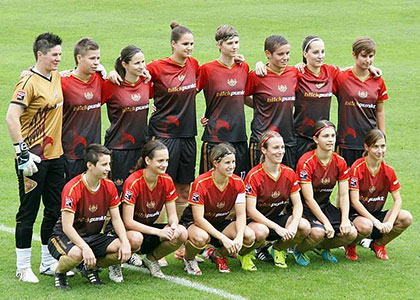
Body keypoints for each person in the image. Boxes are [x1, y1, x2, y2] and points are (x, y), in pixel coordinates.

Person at [6, 33, 65, 283]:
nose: (58, 59)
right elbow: (11, 117)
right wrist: (22, 153)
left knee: (53, 210)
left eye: (60, 55)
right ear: (40, 55)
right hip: (33, 159)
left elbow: (76, 72)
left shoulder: (57, 76)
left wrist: (102, 69)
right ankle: (22, 267)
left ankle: (47, 262)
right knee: (28, 212)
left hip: (55, 157)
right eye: (54, 55)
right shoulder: (27, 83)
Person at [47, 144, 133, 289]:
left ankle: (89, 267)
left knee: (122, 246)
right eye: (104, 164)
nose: (109, 169)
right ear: (90, 165)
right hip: (63, 237)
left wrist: (125, 241)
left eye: (109, 164)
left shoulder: (109, 186)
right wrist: (84, 247)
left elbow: (116, 219)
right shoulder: (73, 188)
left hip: (91, 236)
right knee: (77, 253)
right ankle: (60, 273)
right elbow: (67, 227)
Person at [146, 22, 199, 218]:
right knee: (161, 186)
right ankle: (157, 236)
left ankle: (179, 237)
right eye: (185, 44)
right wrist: (112, 73)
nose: (189, 48)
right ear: (173, 44)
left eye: (192, 44)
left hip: (188, 135)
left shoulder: (193, 65)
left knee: (184, 188)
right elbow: (131, 76)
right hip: (164, 135)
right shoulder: (157, 67)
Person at [181, 143, 256, 274]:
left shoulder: (238, 182)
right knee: (200, 238)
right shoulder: (201, 183)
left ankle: (218, 255)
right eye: (227, 162)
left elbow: (241, 215)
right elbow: (198, 219)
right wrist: (224, 238)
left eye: (233, 162)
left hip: (221, 222)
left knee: (248, 236)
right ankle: (189, 258)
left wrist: (238, 237)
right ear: (215, 163)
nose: (232, 166)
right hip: (197, 224)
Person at [122, 140, 188, 278]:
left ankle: (151, 260)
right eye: (160, 160)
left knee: (181, 233)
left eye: (166, 160)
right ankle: (116, 263)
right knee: (135, 238)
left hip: (149, 228)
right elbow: (128, 222)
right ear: (148, 160)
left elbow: (172, 215)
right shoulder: (133, 182)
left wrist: (174, 226)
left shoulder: (167, 180)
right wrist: (159, 232)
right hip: (129, 231)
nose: (165, 164)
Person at [245, 131, 311, 268]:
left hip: (276, 218)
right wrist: (277, 228)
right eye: (275, 148)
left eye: (282, 147)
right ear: (264, 150)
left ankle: (278, 249)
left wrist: (294, 223)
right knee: (261, 232)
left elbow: (298, 205)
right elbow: (250, 210)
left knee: (304, 226)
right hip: (255, 222)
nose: (280, 151)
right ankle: (245, 254)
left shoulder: (289, 173)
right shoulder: (254, 175)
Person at [295, 120, 357, 263]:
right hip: (306, 207)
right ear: (316, 139)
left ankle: (320, 247)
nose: (330, 140)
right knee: (318, 232)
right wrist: (325, 222)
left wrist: (345, 219)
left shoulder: (340, 161)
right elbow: (309, 199)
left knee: (351, 234)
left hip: (325, 205)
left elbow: (343, 195)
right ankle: (299, 250)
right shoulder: (306, 162)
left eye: (332, 136)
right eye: (325, 136)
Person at [346, 129, 412, 260]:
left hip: (376, 214)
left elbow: (398, 199)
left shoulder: (388, 170)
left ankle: (379, 244)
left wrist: (390, 222)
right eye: (375, 147)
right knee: (366, 225)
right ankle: (350, 244)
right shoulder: (357, 168)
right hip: (356, 216)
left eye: (382, 146)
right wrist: (376, 222)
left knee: (406, 217)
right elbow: (354, 201)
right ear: (367, 147)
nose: (380, 151)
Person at [198, 25, 250, 179]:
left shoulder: (243, 67)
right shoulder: (207, 69)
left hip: (239, 134)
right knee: (210, 182)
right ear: (219, 45)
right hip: (215, 136)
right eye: (230, 43)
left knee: (239, 182)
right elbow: (188, 94)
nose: (234, 47)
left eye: (236, 42)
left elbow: (245, 97)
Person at [102, 45, 152, 195]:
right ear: (124, 64)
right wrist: (109, 73)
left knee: (140, 192)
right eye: (137, 63)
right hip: (119, 149)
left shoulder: (146, 82)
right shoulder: (112, 84)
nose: (141, 66)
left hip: (142, 146)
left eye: (143, 62)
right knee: (118, 194)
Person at [245, 35, 299, 170]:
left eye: (287, 53)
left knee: (286, 182)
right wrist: (258, 106)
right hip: (262, 139)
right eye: (280, 54)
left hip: (287, 139)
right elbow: (242, 96)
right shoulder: (257, 76)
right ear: (268, 54)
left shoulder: (293, 73)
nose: (285, 57)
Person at [334, 37, 388, 167]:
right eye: (364, 56)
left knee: (369, 181)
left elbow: (380, 110)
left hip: (370, 142)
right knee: (346, 181)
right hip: (347, 141)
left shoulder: (378, 80)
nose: (368, 60)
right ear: (354, 55)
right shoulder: (342, 78)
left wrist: (382, 137)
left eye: (371, 56)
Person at [61, 37, 103, 181]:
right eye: (92, 58)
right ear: (79, 58)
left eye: (98, 58)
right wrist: (28, 73)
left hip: (95, 153)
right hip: (72, 154)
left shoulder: (100, 79)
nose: (96, 62)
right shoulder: (63, 82)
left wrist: (113, 73)